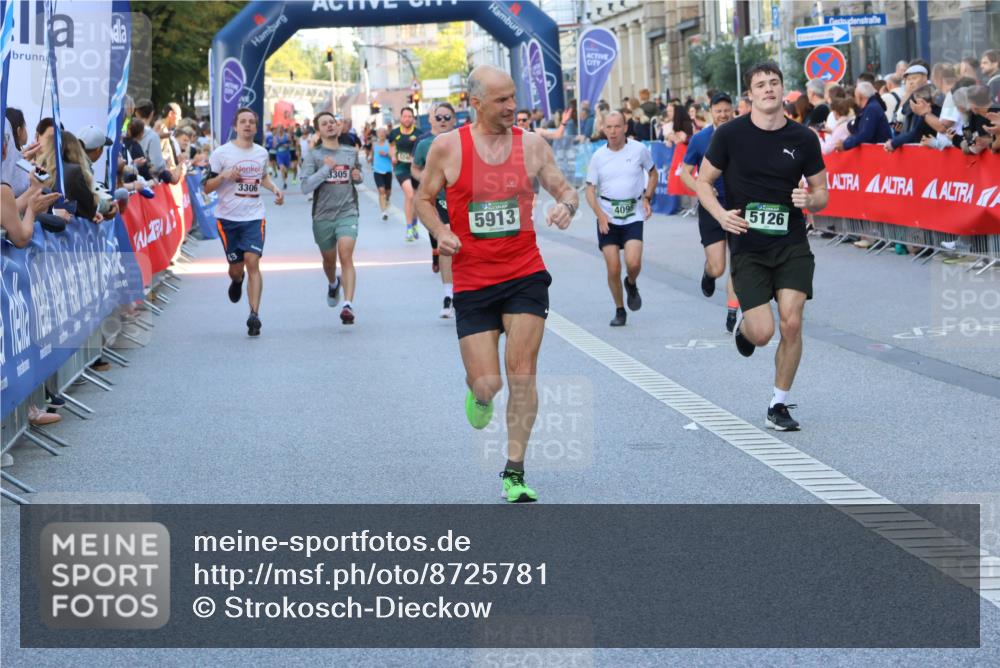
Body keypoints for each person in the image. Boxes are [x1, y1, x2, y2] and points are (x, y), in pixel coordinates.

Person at [414, 65, 579, 503]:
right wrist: (441, 231)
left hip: (524, 272)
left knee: (522, 373)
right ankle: (481, 396)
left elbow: (566, 189)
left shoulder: (532, 145)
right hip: (472, 279)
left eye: (513, 98)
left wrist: (567, 206)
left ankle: (514, 471)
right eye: (502, 100)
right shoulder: (447, 148)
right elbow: (424, 199)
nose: (512, 107)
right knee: (488, 382)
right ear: (476, 103)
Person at [695, 62, 828, 432]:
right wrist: (721, 216)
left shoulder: (803, 138)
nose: (768, 89)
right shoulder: (730, 135)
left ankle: (778, 404)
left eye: (774, 83)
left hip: (791, 243)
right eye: (760, 84)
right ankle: (746, 330)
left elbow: (823, 193)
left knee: (793, 322)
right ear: (750, 94)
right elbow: (703, 183)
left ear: (783, 90)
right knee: (764, 332)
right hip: (749, 247)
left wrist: (810, 201)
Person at [204, 108, 284, 337]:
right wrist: (223, 176)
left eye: (251, 122)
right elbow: (206, 187)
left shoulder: (261, 153)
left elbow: (264, 176)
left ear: (256, 127)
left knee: (253, 262)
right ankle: (237, 281)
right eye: (243, 122)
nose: (247, 125)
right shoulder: (221, 154)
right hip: (228, 219)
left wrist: (275, 189)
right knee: (237, 269)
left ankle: (254, 315)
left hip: (253, 217)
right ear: (236, 126)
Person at [584, 111, 657, 327]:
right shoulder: (598, 157)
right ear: (603, 129)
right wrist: (600, 215)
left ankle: (631, 282)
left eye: (617, 127)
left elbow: (653, 173)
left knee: (633, 263)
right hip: (608, 215)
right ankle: (619, 309)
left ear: (625, 128)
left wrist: (648, 198)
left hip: (633, 213)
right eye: (609, 127)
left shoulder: (639, 150)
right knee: (613, 267)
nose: (613, 132)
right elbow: (590, 190)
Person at [679, 93, 739, 333]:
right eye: (719, 110)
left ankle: (733, 311)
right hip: (711, 207)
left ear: (733, 110)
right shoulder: (700, 139)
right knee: (719, 267)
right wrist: (703, 190)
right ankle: (708, 273)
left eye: (727, 110)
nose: (723, 114)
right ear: (711, 112)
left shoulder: (742, 135)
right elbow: (685, 173)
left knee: (739, 261)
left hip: (738, 206)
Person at [300, 111, 364, 325]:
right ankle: (332, 281)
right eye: (324, 124)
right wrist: (326, 168)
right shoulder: (313, 156)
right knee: (329, 260)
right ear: (318, 130)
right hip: (323, 216)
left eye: (332, 122)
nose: (329, 126)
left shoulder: (349, 152)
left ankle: (348, 305)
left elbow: (357, 176)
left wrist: (358, 177)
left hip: (347, 212)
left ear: (338, 127)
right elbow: (305, 186)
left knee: (346, 255)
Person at [412, 102, 458, 314]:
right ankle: (448, 294)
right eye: (438, 117)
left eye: (447, 117)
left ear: (454, 120)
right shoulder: (424, 144)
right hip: (439, 199)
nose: (442, 121)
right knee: (446, 242)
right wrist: (428, 181)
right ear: (432, 120)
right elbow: (414, 167)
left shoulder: (463, 141)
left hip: (463, 200)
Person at [389, 107, 420, 241]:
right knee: (410, 194)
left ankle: (414, 223)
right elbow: (391, 147)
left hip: (416, 169)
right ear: (401, 118)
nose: (407, 119)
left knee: (413, 198)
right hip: (401, 168)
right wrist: (392, 156)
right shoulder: (395, 133)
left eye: (409, 116)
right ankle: (409, 228)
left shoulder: (419, 133)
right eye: (405, 116)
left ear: (413, 118)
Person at [836, 82, 891, 151]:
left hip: (879, 152)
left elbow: (865, 134)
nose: (855, 100)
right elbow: (858, 130)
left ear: (860, 96)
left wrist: (845, 144)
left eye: (855, 96)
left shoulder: (871, 108)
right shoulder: (869, 108)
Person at [369, 126, 393, 220]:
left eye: (383, 132)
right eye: (380, 133)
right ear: (377, 134)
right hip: (377, 171)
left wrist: (387, 154)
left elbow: (393, 156)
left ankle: (387, 200)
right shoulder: (374, 144)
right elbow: (372, 155)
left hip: (387, 170)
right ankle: (384, 212)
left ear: (385, 134)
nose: (381, 134)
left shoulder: (389, 144)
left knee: (388, 192)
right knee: (381, 191)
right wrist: (370, 161)